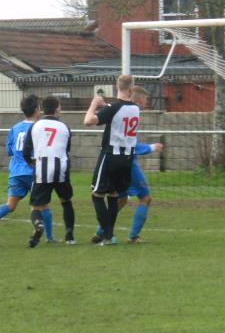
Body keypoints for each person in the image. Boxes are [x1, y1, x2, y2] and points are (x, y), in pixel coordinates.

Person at [91, 86, 163, 244]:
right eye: (146, 100)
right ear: (140, 100)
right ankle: (133, 236)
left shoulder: (124, 112)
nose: (147, 103)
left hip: (117, 161)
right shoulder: (133, 113)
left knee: (121, 199)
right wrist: (151, 147)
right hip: (128, 164)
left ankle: (102, 231)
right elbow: (132, 146)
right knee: (145, 198)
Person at [84, 74, 140, 246]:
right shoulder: (135, 108)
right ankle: (108, 234)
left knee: (97, 194)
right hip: (127, 158)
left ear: (117, 87)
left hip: (110, 155)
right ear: (131, 89)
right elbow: (119, 111)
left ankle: (107, 235)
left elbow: (88, 121)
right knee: (114, 195)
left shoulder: (113, 109)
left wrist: (94, 105)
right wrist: (106, 106)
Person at [0, 95, 43, 240]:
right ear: (36, 110)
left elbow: (9, 151)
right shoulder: (38, 128)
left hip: (16, 172)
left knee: (10, 205)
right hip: (33, 171)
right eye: (39, 108)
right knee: (40, 205)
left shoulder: (15, 128)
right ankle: (46, 235)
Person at [22, 95, 76, 248]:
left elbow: (26, 151)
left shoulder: (35, 126)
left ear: (42, 109)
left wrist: (31, 163)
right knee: (66, 202)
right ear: (57, 108)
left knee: (36, 206)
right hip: (61, 168)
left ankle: (39, 225)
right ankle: (70, 236)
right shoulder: (65, 127)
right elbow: (66, 150)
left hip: (42, 168)